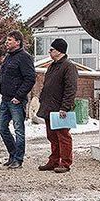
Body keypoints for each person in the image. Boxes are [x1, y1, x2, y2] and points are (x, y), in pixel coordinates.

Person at [0, 30, 36, 169]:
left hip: (16, 101)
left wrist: (19, 96)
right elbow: (5, 75)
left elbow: (30, 79)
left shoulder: (24, 57)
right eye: (6, 40)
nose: (6, 43)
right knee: (2, 127)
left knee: (19, 130)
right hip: (5, 99)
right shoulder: (8, 57)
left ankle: (18, 159)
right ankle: (13, 154)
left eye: (9, 40)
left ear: (18, 42)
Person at [36, 38, 78, 174]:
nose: (49, 51)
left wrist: (64, 107)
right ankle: (53, 161)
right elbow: (47, 85)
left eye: (52, 49)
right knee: (52, 136)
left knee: (63, 136)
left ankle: (65, 162)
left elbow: (70, 89)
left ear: (59, 51)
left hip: (60, 109)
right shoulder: (52, 66)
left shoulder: (68, 66)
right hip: (49, 107)